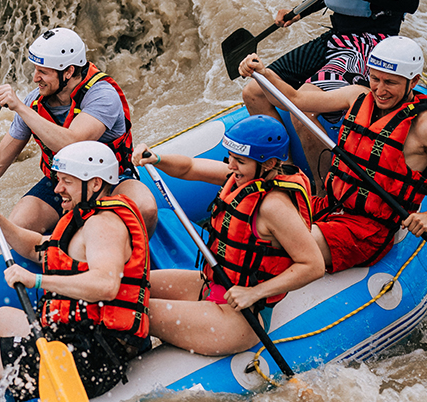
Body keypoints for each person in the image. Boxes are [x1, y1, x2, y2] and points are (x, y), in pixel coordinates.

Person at [239, 36, 427, 274]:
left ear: (413, 80)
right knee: (249, 212)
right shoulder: (356, 95)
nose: (380, 90)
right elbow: (295, 99)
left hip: (368, 231)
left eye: (391, 82)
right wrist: (263, 73)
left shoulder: (426, 128)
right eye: (375, 79)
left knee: (282, 239)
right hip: (330, 205)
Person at [0, 141, 151, 402]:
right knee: (1, 318)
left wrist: (36, 279)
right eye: (58, 180)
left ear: (95, 183)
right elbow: (39, 248)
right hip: (77, 339)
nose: (58, 189)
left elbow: (106, 285)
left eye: (67, 182)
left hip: (89, 360)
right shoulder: (83, 218)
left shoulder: (103, 224)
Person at [132, 116, 325, 356]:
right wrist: (157, 158)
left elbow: (313, 265)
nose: (231, 166)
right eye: (231, 157)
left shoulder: (274, 207)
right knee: (128, 285)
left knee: (130, 309)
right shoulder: (243, 177)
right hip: (215, 285)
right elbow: (189, 167)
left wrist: (254, 293)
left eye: (240, 161)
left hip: (239, 318)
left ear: (269, 163)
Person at [0, 27, 158, 235]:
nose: (35, 78)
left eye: (43, 72)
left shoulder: (102, 95)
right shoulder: (34, 103)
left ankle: (137, 256)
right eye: (35, 69)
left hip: (108, 180)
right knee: (19, 225)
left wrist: (20, 108)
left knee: (145, 208)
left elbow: (73, 144)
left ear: (68, 72)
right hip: (62, 185)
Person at [241, 0, 421, 192]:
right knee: (255, 91)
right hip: (337, 36)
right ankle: (285, 176)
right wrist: (300, 11)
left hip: (370, 41)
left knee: (304, 110)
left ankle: (324, 191)